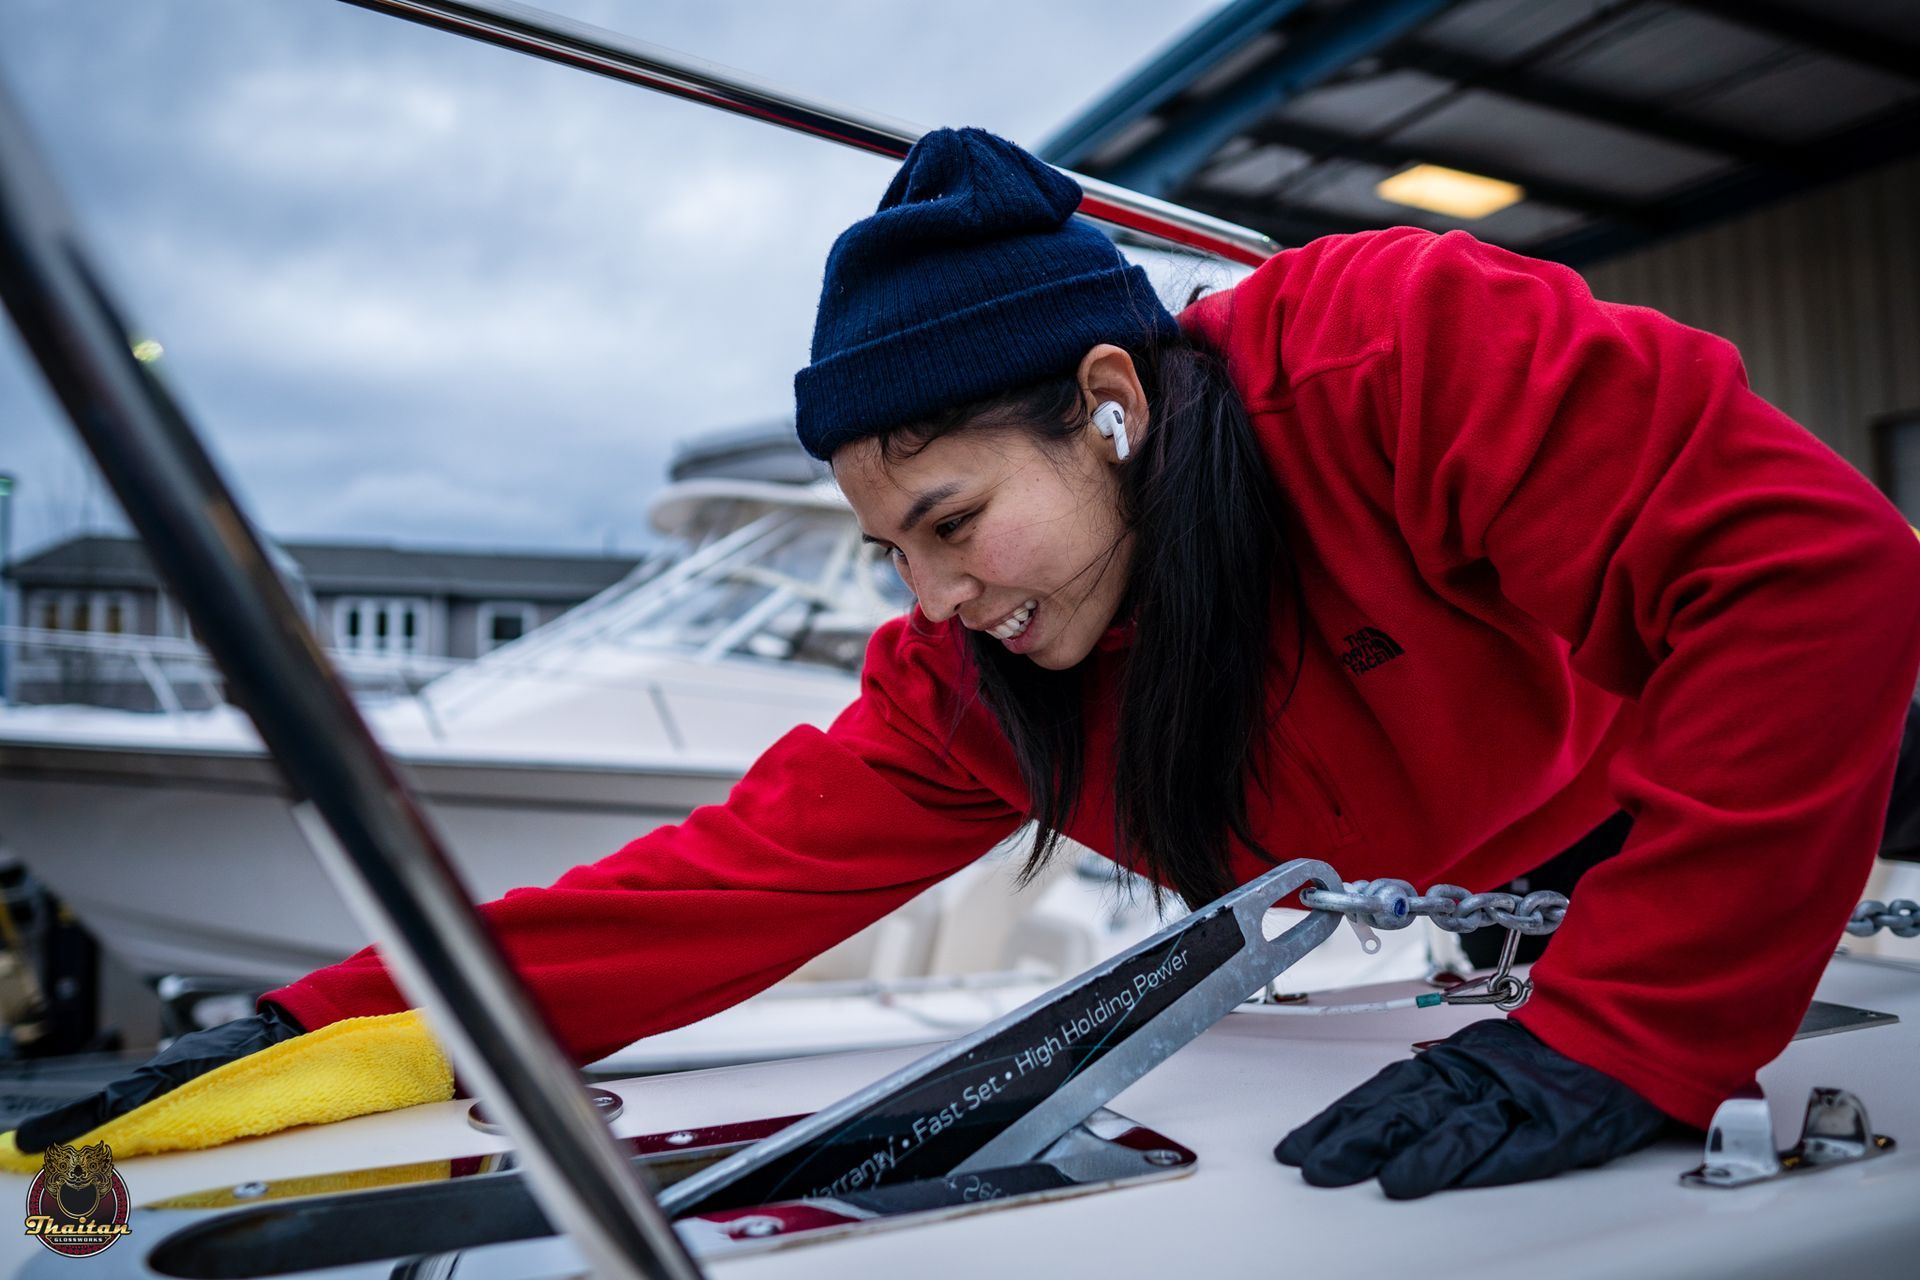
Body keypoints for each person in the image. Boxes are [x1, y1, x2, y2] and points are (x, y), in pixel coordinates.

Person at [18, 129, 1920, 1200]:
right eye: (888, 551)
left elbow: (1816, 576)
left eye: (948, 519)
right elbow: (702, 898)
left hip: (1743, 817)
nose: (929, 598)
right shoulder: (990, 683)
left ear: (1107, 404)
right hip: (1496, 920)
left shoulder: (1389, 356)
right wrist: (334, 1019)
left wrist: (1632, 1028)